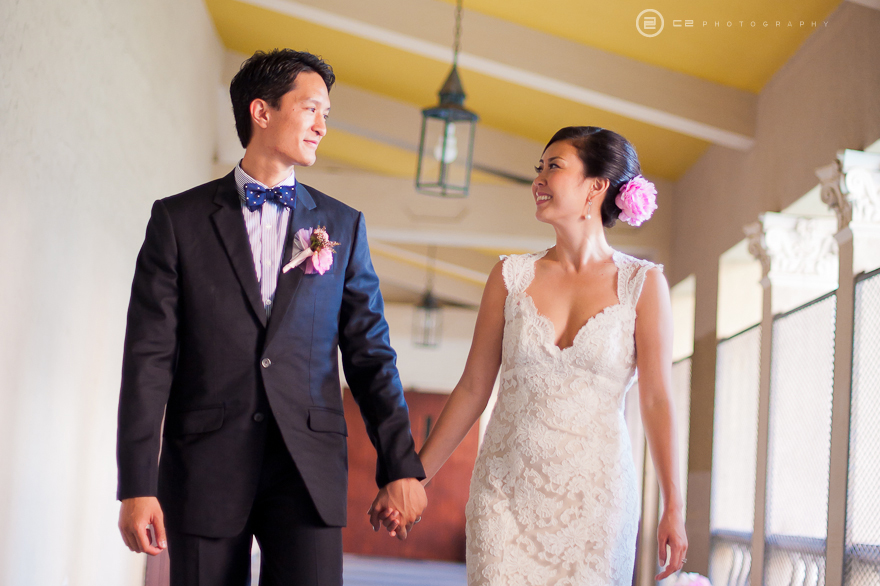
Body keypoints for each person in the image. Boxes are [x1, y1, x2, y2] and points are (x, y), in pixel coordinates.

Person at [116, 48, 427, 586]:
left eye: (326, 114)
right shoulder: (177, 220)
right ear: (261, 111)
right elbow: (148, 359)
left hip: (308, 469)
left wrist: (400, 465)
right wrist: (137, 484)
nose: (322, 126)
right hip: (204, 466)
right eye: (310, 109)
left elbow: (370, 356)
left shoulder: (343, 226)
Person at [379, 126, 688, 584]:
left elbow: (658, 400)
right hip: (504, 496)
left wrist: (674, 506)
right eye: (538, 168)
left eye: (554, 167)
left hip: (597, 501)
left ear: (596, 186)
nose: (538, 180)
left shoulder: (642, 284)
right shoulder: (510, 276)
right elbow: (472, 389)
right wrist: (413, 480)